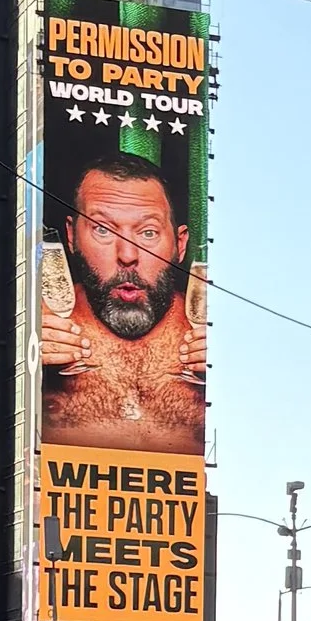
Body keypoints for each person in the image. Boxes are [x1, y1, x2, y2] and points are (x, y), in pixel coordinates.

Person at [37, 157, 204, 456]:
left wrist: (232, 372)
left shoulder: (212, 332)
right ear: (72, 236)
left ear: (180, 244)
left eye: (148, 233)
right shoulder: (36, 321)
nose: (127, 255)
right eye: (103, 230)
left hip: (191, 501)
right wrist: (24, 360)